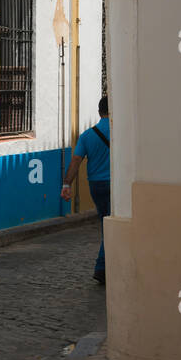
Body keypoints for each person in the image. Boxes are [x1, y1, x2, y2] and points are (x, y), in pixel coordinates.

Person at [62, 96, 110, 285]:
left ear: (99, 113)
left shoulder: (87, 136)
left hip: (96, 186)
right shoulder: (122, 131)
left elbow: (75, 161)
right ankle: (101, 267)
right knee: (110, 225)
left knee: (105, 222)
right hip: (115, 184)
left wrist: (67, 185)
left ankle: (104, 267)